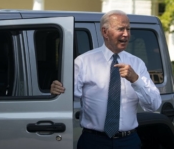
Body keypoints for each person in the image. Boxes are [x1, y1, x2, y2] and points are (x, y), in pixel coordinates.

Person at [50, 10, 162, 149]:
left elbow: (154, 105)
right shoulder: (84, 61)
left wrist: (136, 80)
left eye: (128, 29)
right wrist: (56, 90)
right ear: (105, 32)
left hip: (128, 142)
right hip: (94, 141)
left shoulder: (137, 64)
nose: (126, 34)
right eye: (121, 29)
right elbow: (66, 97)